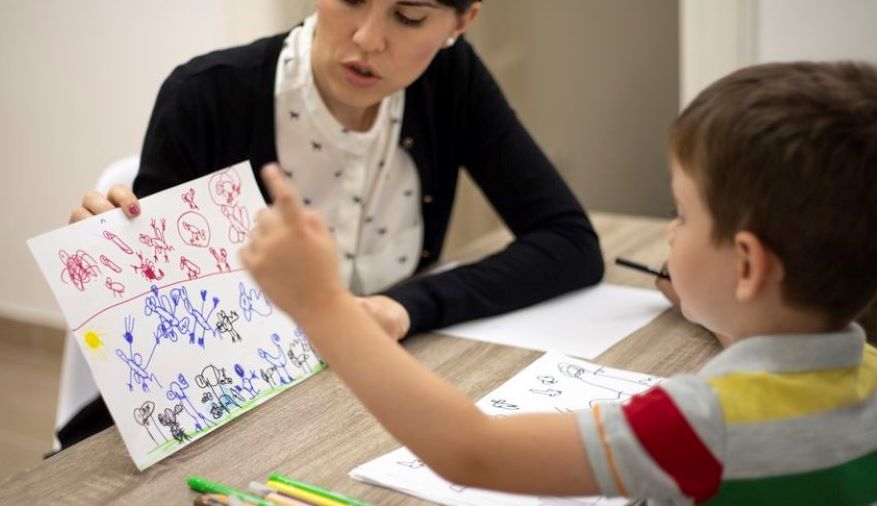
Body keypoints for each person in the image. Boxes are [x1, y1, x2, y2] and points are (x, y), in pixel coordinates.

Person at [242, 60, 877, 504]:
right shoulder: (870, 375)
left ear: (747, 267)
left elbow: (471, 452)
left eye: (680, 214)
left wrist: (322, 305)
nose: (669, 233)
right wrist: (722, 306)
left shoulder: (700, 423)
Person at [61, 0, 603, 447]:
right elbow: (161, 353)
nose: (368, 38)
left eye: (409, 16)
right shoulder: (208, 94)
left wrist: (404, 308)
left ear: (459, 24)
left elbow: (569, 241)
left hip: (359, 410)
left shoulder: (449, 81)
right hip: (229, 420)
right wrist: (116, 262)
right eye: (350, 0)